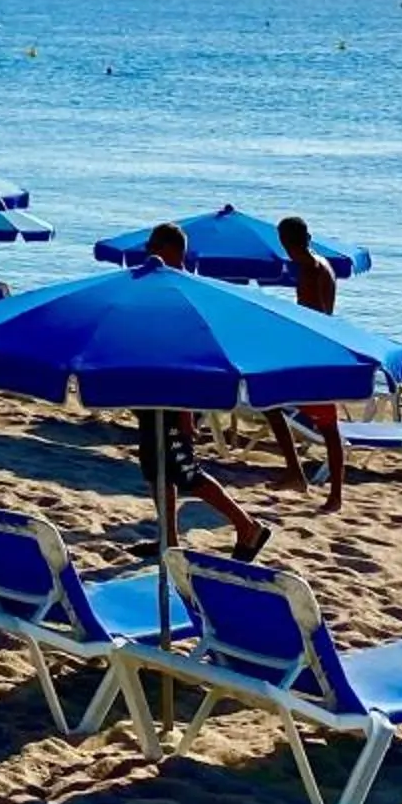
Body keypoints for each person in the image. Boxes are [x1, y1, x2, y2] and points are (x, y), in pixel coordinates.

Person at [137, 220, 268, 560]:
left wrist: (185, 413)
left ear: (170, 250)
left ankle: (247, 527)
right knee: (156, 470)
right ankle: (168, 538)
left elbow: (187, 359)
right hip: (154, 396)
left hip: (173, 398)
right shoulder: (161, 288)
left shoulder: (183, 294)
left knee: (186, 473)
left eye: (153, 247)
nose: (149, 253)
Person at [261, 215, 346, 513]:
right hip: (313, 354)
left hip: (314, 357)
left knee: (328, 427)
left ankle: (334, 495)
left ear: (284, 242)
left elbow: (315, 319)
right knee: (269, 402)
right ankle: (295, 473)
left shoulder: (311, 271)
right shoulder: (322, 264)